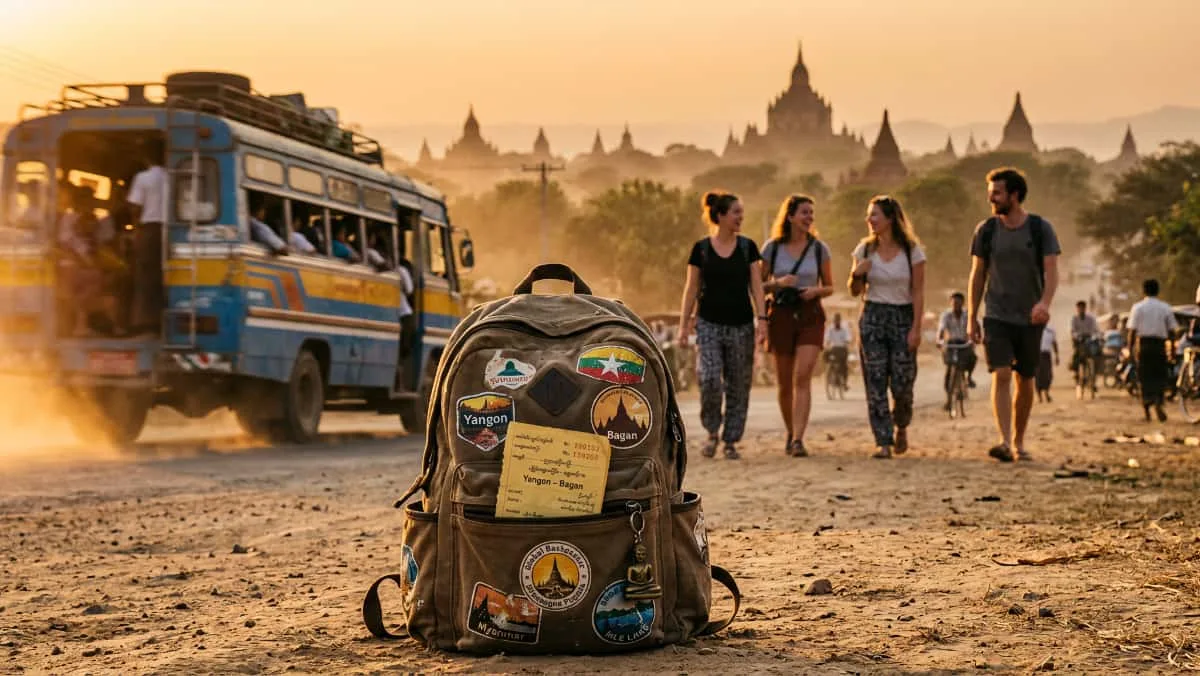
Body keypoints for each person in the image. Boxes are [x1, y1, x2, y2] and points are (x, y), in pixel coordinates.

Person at [968, 167, 1061, 463]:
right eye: (990, 193)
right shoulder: (986, 230)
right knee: (1002, 373)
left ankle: (1020, 441)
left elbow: (1051, 271)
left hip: (1030, 316)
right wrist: (972, 316)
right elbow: (977, 274)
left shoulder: (1039, 229)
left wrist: (1044, 303)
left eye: (997, 193)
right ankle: (1004, 441)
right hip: (996, 313)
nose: (991, 199)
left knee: (1025, 377)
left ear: (1014, 195)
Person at [678, 190, 768, 460]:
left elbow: (756, 285)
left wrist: (762, 320)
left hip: (742, 325)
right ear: (720, 216)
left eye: (742, 212)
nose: (741, 217)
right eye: (736, 212)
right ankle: (712, 431)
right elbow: (691, 288)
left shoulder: (747, 247)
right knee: (709, 378)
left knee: (738, 384)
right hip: (708, 324)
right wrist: (684, 325)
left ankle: (730, 439)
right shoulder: (701, 250)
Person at [848, 195, 926, 459]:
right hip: (873, 315)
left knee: (903, 382)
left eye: (875, 215)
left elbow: (918, 291)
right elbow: (854, 290)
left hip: (903, 316)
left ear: (890, 218)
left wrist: (916, 328)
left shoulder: (912, 251)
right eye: (869, 215)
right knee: (876, 380)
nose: (869, 220)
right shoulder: (864, 250)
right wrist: (858, 273)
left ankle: (901, 424)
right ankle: (883, 440)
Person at [760, 194, 834, 457]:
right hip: (780, 312)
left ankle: (799, 439)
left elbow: (830, 285)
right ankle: (791, 431)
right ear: (790, 216)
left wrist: (815, 291)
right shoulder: (772, 248)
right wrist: (779, 283)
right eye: (804, 212)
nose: (809, 218)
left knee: (802, 375)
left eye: (811, 213)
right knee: (784, 381)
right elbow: (757, 285)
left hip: (809, 312)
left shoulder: (818, 249)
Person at [126, 139, 168, 337]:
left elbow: (135, 206)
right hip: (171, 231)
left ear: (146, 157)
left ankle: (147, 325)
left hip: (150, 230)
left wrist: (135, 230)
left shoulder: (143, 178)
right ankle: (163, 321)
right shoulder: (172, 176)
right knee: (163, 276)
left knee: (145, 277)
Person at [1127, 278, 1178, 422]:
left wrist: (1130, 349)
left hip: (1144, 345)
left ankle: (1147, 410)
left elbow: (1132, 332)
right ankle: (1158, 401)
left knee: (1144, 377)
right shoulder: (1165, 307)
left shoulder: (1138, 307)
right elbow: (1172, 331)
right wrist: (1172, 350)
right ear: (1158, 291)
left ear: (1144, 291)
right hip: (1160, 346)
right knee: (1159, 376)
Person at [937, 291, 978, 411]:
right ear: (950, 303)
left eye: (958, 303)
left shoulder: (968, 315)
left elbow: (976, 326)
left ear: (962, 303)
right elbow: (941, 329)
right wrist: (939, 340)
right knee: (949, 369)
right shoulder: (946, 315)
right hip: (951, 344)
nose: (956, 305)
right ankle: (948, 399)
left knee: (973, 358)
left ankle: (969, 377)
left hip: (964, 344)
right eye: (954, 303)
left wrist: (974, 338)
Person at [1069, 300, 1101, 398]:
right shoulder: (1074, 319)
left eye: (1083, 308)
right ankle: (1076, 374)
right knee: (1076, 357)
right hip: (1079, 341)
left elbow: (1095, 329)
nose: (1081, 309)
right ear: (1077, 309)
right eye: (1079, 308)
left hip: (1089, 340)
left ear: (1085, 308)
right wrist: (1077, 337)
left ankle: (1094, 379)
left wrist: (1095, 336)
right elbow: (1072, 331)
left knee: (1098, 355)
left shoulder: (1090, 318)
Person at [824, 313, 853, 391]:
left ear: (840, 321)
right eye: (835, 321)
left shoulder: (844, 328)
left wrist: (847, 342)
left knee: (844, 366)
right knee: (825, 354)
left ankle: (844, 382)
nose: (836, 322)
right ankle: (829, 372)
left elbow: (848, 339)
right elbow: (827, 339)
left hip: (842, 349)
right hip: (833, 349)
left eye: (837, 321)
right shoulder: (830, 329)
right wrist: (827, 345)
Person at [1036, 324, 1059, 403]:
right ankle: (1040, 396)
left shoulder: (1051, 330)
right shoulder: (1034, 330)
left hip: (1046, 355)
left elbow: (1054, 343)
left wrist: (1057, 355)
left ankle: (1046, 393)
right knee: (1038, 376)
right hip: (1037, 354)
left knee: (1048, 375)